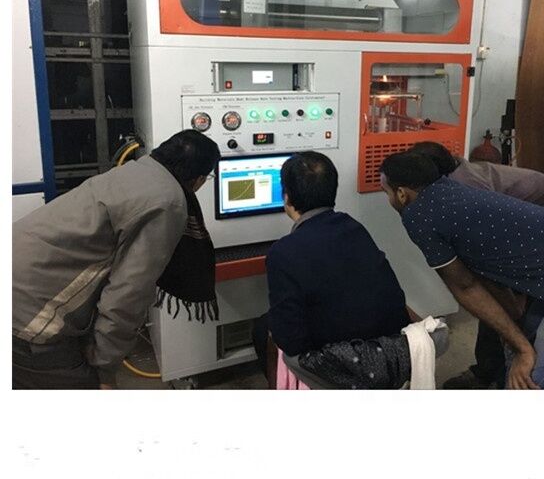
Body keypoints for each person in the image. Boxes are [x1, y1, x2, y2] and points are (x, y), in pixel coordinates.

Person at [379, 151, 544, 390]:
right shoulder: (450, 189)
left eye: (386, 192)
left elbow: (466, 286)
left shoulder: (418, 215)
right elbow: (488, 275)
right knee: (515, 355)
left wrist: (523, 349)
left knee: (527, 385)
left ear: (401, 194)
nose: (388, 198)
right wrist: (515, 339)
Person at [12, 130, 221, 390]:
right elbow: (127, 295)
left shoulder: (135, 171)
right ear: (199, 180)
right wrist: (104, 368)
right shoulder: (169, 202)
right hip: (28, 313)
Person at [253, 151, 410, 375]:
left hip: (341, 359)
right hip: (390, 347)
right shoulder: (354, 227)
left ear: (286, 198)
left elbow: (291, 341)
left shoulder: (282, 252)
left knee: (263, 328)